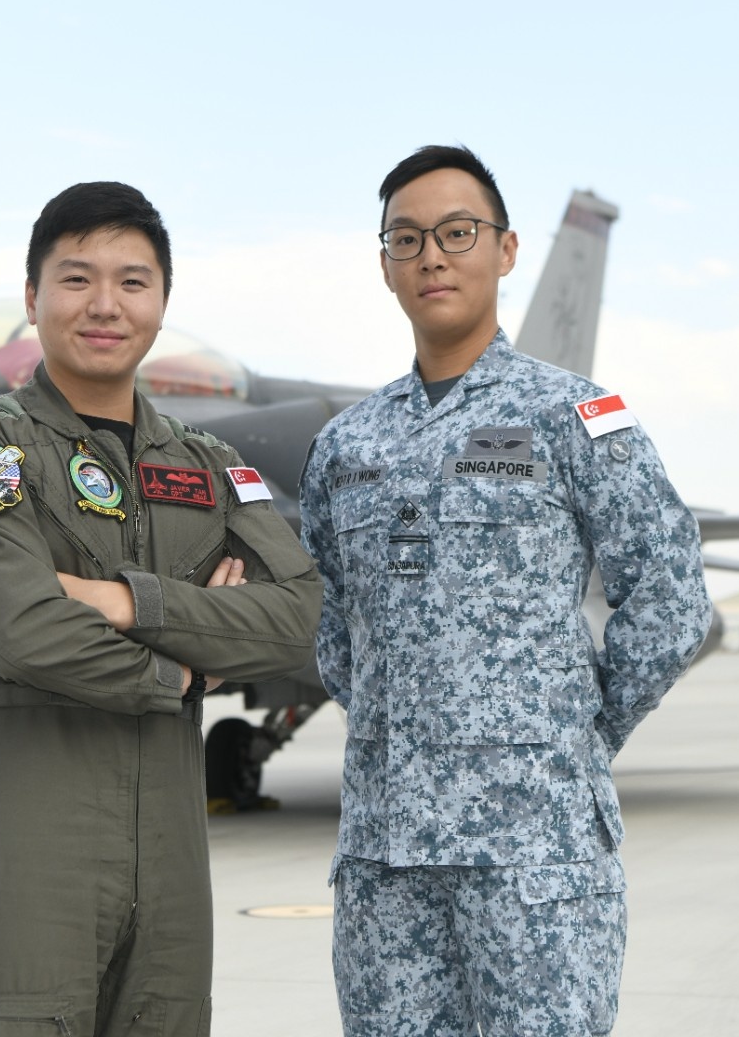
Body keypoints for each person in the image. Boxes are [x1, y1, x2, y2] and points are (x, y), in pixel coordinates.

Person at [299, 145, 712, 1035]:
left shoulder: (574, 416)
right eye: (407, 239)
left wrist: (576, 735)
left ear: (506, 249)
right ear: (385, 265)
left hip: (536, 853)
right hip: (385, 865)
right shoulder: (346, 445)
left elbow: (671, 593)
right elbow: (330, 621)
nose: (432, 257)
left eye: (457, 233)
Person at [0, 182, 322, 1036]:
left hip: (169, 863)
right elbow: (22, 632)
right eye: (77, 279)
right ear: (33, 298)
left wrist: (127, 602)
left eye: (133, 282)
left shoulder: (211, 465)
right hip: (20, 848)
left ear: (162, 303)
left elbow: (303, 616)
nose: (105, 304)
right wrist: (189, 669)